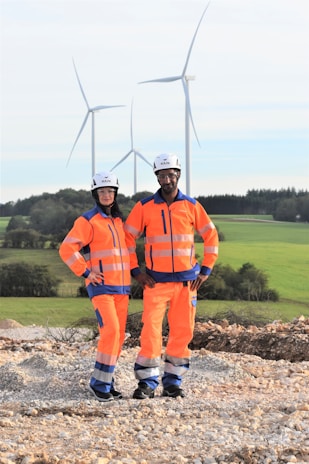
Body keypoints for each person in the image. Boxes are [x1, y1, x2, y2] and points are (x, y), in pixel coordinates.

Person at [124, 153, 219, 399]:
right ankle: (147, 382)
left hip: (187, 283)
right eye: (162, 176)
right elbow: (127, 239)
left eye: (170, 175)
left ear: (178, 175)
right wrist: (136, 271)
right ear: (156, 177)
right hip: (155, 282)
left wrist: (206, 269)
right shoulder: (143, 207)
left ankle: (173, 382)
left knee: (182, 331)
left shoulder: (192, 206)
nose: (166, 180)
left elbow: (211, 236)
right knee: (151, 332)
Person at [59, 171, 131, 402]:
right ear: (95, 194)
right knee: (110, 331)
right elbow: (66, 249)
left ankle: (106, 380)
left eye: (110, 191)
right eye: (102, 191)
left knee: (118, 336)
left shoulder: (118, 221)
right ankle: (98, 383)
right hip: (101, 287)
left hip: (121, 288)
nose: (107, 195)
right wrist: (87, 271)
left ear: (115, 193)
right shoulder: (88, 220)